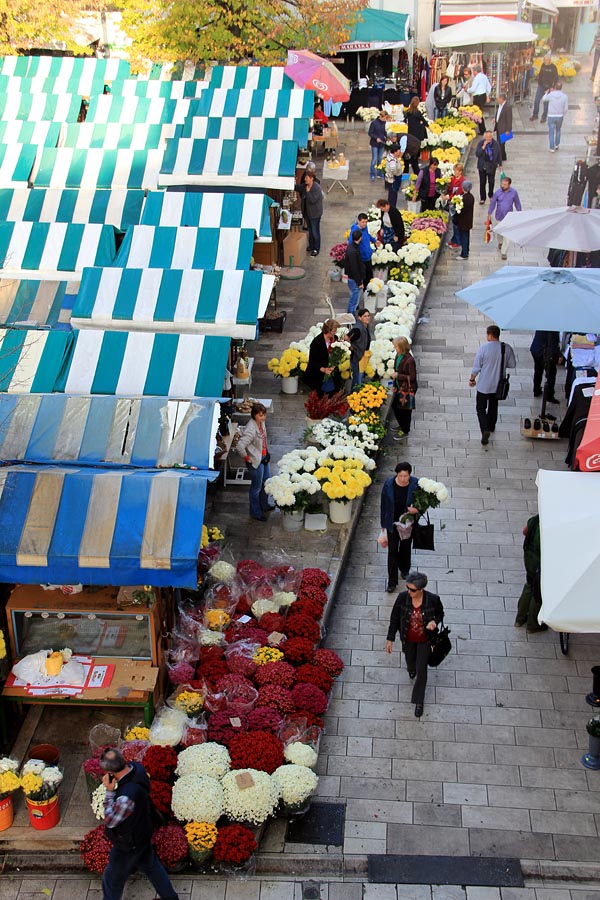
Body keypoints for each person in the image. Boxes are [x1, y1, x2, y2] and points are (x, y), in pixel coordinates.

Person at [100, 747, 179, 900]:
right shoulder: (138, 768)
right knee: (152, 866)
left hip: (128, 844)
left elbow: (110, 821)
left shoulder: (125, 798)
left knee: (111, 880)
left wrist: (109, 792)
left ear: (110, 773)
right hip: (143, 831)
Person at [386, 571, 445, 718]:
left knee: (422, 670)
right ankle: (411, 668)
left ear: (420, 589)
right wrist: (390, 638)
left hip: (425, 640)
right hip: (408, 639)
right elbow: (394, 618)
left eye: (412, 590)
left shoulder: (432, 599)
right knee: (410, 660)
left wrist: (434, 622)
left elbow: (440, 614)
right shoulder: (402, 598)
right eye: (408, 588)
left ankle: (419, 701)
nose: (409, 592)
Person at [469, 324, 516, 445]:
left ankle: (484, 429)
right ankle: (491, 426)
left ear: (490, 335)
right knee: (493, 406)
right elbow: (512, 364)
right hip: (498, 385)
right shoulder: (506, 348)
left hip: (484, 384)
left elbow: (476, 367)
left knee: (480, 408)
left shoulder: (483, 348)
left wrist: (472, 379)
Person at [379, 461, 419, 592]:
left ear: (409, 475)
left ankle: (404, 569)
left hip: (407, 523)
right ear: (396, 475)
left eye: (405, 476)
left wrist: (417, 510)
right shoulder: (389, 485)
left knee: (406, 547)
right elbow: (384, 505)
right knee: (392, 551)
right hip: (392, 523)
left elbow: (422, 503)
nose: (403, 479)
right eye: (400, 476)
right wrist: (383, 526)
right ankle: (392, 581)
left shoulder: (415, 484)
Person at [236, 402, 274, 522]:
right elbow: (240, 446)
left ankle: (264, 505)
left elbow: (263, 440)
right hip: (255, 461)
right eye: (261, 415)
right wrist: (247, 458)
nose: (263, 417)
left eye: (264, 415)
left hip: (263, 458)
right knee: (256, 488)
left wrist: (266, 452)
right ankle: (255, 512)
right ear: (254, 415)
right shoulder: (251, 429)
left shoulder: (261, 424)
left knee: (266, 482)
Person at [514, 515, 547, 633]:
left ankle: (519, 619)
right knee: (538, 593)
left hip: (529, 559)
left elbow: (524, 531)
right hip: (540, 563)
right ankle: (532, 625)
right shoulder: (551, 525)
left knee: (529, 585)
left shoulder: (536, 519)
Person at [302, 318, 340, 398]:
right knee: (320, 397)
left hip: (331, 374)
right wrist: (324, 369)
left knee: (332, 393)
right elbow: (313, 361)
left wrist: (334, 365)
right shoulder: (317, 342)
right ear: (328, 330)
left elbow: (337, 354)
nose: (335, 332)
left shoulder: (335, 338)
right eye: (334, 330)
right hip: (318, 375)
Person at [487, 175, 522, 260]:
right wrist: (489, 213)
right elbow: (493, 203)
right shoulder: (498, 192)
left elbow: (517, 203)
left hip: (508, 217)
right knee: (499, 232)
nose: (502, 186)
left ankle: (504, 252)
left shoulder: (514, 192)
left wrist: (519, 213)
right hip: (499, 216)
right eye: (502, 184)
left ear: (509, 185)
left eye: (505, 184)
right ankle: (500, 242)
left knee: (507, 235)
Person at [391, 336, 417, 440]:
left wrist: (398, 376)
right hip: (399, 386)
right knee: (396, 407)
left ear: (402, 347)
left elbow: (412, 377)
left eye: (396, 346)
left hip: (406, 389)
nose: (395, 348)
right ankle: (401, 424)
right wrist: (394, 384)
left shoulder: (409, 360)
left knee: (405, 410)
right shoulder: (398, 355)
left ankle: (405, 429)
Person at [348, 213, 378, 285]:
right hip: (362, 258)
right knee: (364, 278)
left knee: (369, 277)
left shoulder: (365, 228)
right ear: (358, 221)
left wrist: (374, 240)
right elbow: (351, 244)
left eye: (366, 222)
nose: (364, 224)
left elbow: (367, 235)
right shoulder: (355, 231)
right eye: (363, 222)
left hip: (368, 256)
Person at [530, 330, 560, 402]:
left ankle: (536, 390)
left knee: (538, 370)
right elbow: (554, 343)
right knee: (551, 373)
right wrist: (559, 355)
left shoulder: (542, 323)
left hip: (536, 349)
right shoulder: (554, 329)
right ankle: (549, 395)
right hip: (545, 352)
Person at [475, 130, 502, 205]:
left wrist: (500, 164)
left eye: (490, 137)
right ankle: (482, 198)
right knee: (482, 182)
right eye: (487, 137)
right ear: (484, 137)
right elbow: (477, 154)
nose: (488, 138)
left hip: (491, 165)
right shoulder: (481, 143)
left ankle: (491, 195)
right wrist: (483, 147)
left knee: (491, 181)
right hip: (482, 165)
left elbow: (499, 154)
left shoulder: (495, 144)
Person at [347, 308, 371, 387]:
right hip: (357, 358)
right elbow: (346, 338)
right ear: (360, 318)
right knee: (357, 380)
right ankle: (354, 396)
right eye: (365, 316)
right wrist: (352, 348)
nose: (367, 317)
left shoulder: (365, 326)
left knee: (359, 378)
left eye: (368, 316)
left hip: (361, 357)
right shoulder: (357, 329)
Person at [530, 53, 558, 122]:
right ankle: (535, 115)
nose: (545, 61)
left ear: (550, 60)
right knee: (536, 100)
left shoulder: (553, 67)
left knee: (546, 103)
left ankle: (544, 117)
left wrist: (552, 87)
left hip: (548, 88)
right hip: (541, 86)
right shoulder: (543, 65)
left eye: (546, 60)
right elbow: (540, 74)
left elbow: (556, 78)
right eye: (544, 60)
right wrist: (538, 81)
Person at [344, 229, 366, 316]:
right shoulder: (353, 251)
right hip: (354, 279)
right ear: (360, 238)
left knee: (354, 297)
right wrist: (359, 282)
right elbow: (354, 268)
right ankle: (351, 316)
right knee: (354, 299)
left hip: (353, 278)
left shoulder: (352, 247)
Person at [452, 179, 474, 261]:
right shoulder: (471, 197)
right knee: (466, 236)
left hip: (463, 222)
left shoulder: (464, 198)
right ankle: (466, 251)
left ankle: (464, 253)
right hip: (468, 221)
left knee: (464, 237)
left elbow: (461, 211)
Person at [304, 170, 324, 256]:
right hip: (308, 213)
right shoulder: (306, 186)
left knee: (315, 231)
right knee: (310, 231)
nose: (305, 179)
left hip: (315, 214)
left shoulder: (316, 188)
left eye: (307, 177)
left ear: (311, 178)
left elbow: (312, 200)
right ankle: (311, 245)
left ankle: (316, 248)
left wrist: (308, 193)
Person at [405, 97, 427, 176]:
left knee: (411, 149)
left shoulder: (408, 112)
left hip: (410, 134)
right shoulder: (417, 112)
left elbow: (405, 120)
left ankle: (411, 163)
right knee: (416, 150)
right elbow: (423, 121)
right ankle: (416, 167)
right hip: (417, 135)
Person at [446, 162, 465, 249]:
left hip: (457, 204)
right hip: (451, 203)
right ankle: (454, 239)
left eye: (456, 171)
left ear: (460, 172)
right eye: (454, 170)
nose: (455, 172)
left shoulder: (462, 181)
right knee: (453, 222)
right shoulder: (453, 179)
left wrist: (448, 197)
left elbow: (459, 193)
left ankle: (457, 241)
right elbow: (450, 189)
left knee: (456, 223)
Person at [546, 82, 569, 152]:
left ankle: (551, 148)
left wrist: (547, 92)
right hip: (560, 116)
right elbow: (566, 108)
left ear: (555, 87)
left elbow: (544, 99)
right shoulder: (564, 96)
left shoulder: (551, 95)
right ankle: (557, 144)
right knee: (558, 130)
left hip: (551, 115)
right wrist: (562, 114)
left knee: (551, 132)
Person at [470, 65, 492, 134]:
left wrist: (467, 90)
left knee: (477, 113)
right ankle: (481, 128)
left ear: (476, 71)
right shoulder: (484, 77)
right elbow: (489, 87)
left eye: (473, 71)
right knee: (479, 112)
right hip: (483, 96)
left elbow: (473, 89)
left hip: (478, 97)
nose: (473, 73)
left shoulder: (477, 78)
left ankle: (482, 129)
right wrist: (487, 95)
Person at [368, 110, 387, 182]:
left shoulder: (385, 123)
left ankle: (379, 172)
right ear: (381, 116)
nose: (385, 119)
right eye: (385, 118)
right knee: (374, 159)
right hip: (374, 143)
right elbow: (370, 133)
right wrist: (376, 138)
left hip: (382, 143)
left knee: (380, 159)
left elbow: (385, 132)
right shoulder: (374, 123)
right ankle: (372, 173)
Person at [494, 92, 512, 162]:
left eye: (498, 98)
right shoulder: (500, 105)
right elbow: (498, 113)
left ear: (502, 99)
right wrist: (495, 118)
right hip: (498, 126)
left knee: (500, 143)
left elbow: (509, 119)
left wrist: (508, 130)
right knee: (500, 143)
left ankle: (500, 157)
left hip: (504, 128)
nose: (497, 99)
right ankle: (503, 156)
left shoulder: (507, 107)